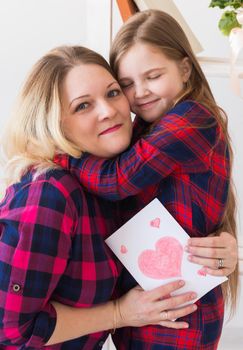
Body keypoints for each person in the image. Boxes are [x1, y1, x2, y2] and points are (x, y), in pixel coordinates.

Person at [54, 10, 239, 350]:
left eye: (153, 76)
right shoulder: (140, 130)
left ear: (185, 69)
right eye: (125, 84)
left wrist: (63, 153)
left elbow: (117, 180)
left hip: (181, 308)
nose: (139, 93)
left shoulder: (193, 118)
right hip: (148, 301)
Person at [0, 45, 202, 350]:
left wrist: (219, 249)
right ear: (54, 122)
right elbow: (10, 330)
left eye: (112, 93)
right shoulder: (50, 192)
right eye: (83, 106)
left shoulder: (111, 183)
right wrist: (120, 313)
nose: (109, 111)